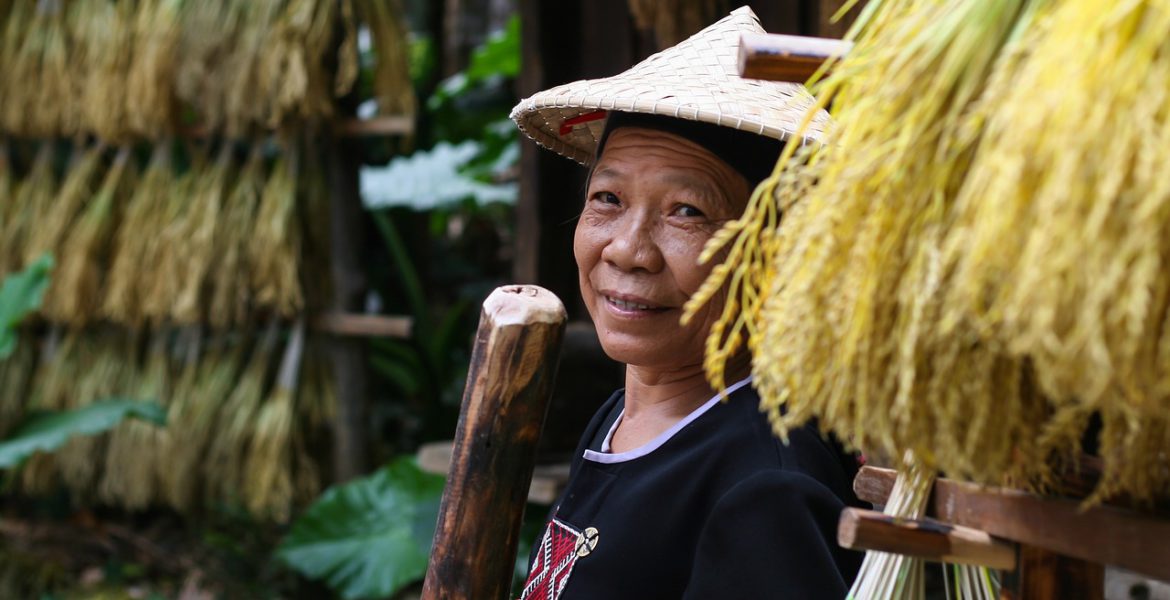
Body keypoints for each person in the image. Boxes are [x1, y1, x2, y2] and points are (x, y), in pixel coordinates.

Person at [510, 7, 863, 599]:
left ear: (778, 254)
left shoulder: (765, 492)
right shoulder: (624, 417)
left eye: (687, 211)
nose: (628, 250)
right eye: (608, 198)